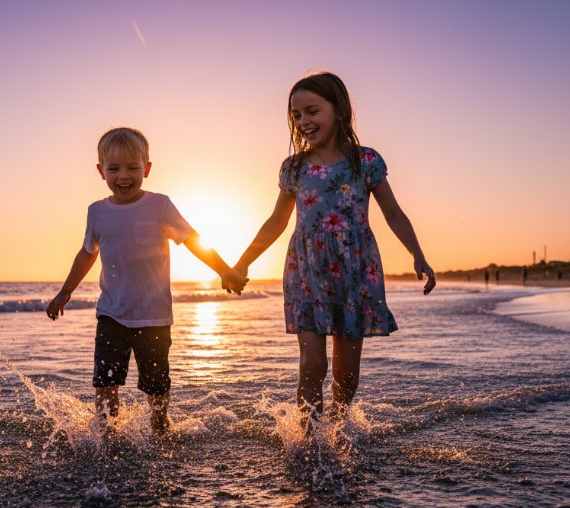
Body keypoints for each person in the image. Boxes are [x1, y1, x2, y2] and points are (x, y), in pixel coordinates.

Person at [234, 72, 435, 423]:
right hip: (307, 270)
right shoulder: (294, 168)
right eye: (296, 115)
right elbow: (275, 222)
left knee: (346, 372)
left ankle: (339, 429)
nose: (303, 122)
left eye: (312, 111)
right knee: (312, 363)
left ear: (339, 110)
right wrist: (244, 262)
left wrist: (417, 254)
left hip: (355, 270)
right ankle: (309, 439)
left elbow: (394, 213)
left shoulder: (365, 161)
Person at [46, 127, 248, 435]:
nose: (123, 176)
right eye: (114, 168)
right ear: (101, 171)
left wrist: (223, 270)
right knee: (105, 380)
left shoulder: (160, 206)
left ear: (147, 169)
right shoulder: (97, 212)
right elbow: (87, 253)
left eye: (132, 168)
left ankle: (159, 426)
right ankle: (107, 434)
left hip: (154, 316)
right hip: (112, 312)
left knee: (156, 384)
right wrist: (65, 292)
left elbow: (193, 240)